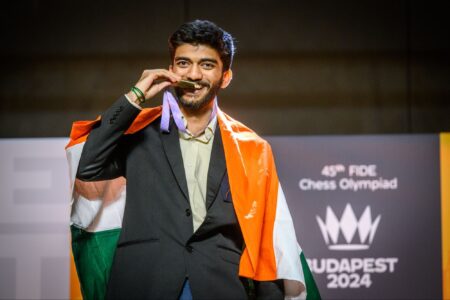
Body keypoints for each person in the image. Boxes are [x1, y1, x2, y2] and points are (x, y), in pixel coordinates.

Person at [66, 20, 320, 300]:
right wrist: (135, 96)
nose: (194, 74)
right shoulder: (138, 132)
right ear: (171, 69)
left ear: (225, 77)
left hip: (220, 288)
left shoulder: (251, 148)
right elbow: (87, 167)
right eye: (184, 63)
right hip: (142, 285)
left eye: (207, 65)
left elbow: (265, 240)